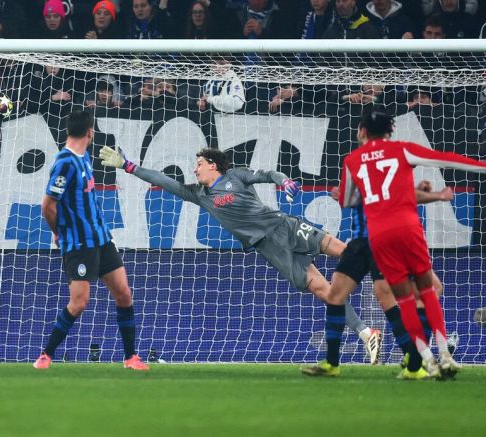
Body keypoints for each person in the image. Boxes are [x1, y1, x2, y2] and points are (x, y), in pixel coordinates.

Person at [98, 146, 383, 372]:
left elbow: (268, 174)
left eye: (199, 164)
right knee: (325, 292)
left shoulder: (236, 176)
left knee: (345, 251)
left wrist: (284, 181)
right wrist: (128, 166)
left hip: (283, 226)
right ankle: (367, 333)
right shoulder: (200, 195)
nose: (194, 169)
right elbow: (164, 181)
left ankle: (386, 268)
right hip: (270, 248)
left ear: (213, 165)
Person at [338, 110, 486, 377]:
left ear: (363, 131)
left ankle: (426, 359)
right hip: (408, 228)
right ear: (389, 131)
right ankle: (445, 355)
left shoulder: (352, 160)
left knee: (405, 300)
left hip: (379, 235)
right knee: (427, 289)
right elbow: (445, 158)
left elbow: (346, 200)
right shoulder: (401, 149)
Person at [33, 111, 149, 371]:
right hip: (78, 243)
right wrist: (58, 232)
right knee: (79, 303)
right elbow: (48, 205)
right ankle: (46, 356)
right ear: (90, 132)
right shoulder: (64, 162)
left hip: (101, 238)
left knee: (124, 294)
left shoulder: (84, 157)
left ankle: (131, 357)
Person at [302, 180, 452, 379]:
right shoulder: (360, 168)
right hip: (363, 242)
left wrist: (434, 195)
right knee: (340, 294)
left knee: (406, 292)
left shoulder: (384, 167)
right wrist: (347, 197)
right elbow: (380, 194)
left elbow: (392, 194)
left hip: (387, 239)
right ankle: (332, 362)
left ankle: (416, 358)